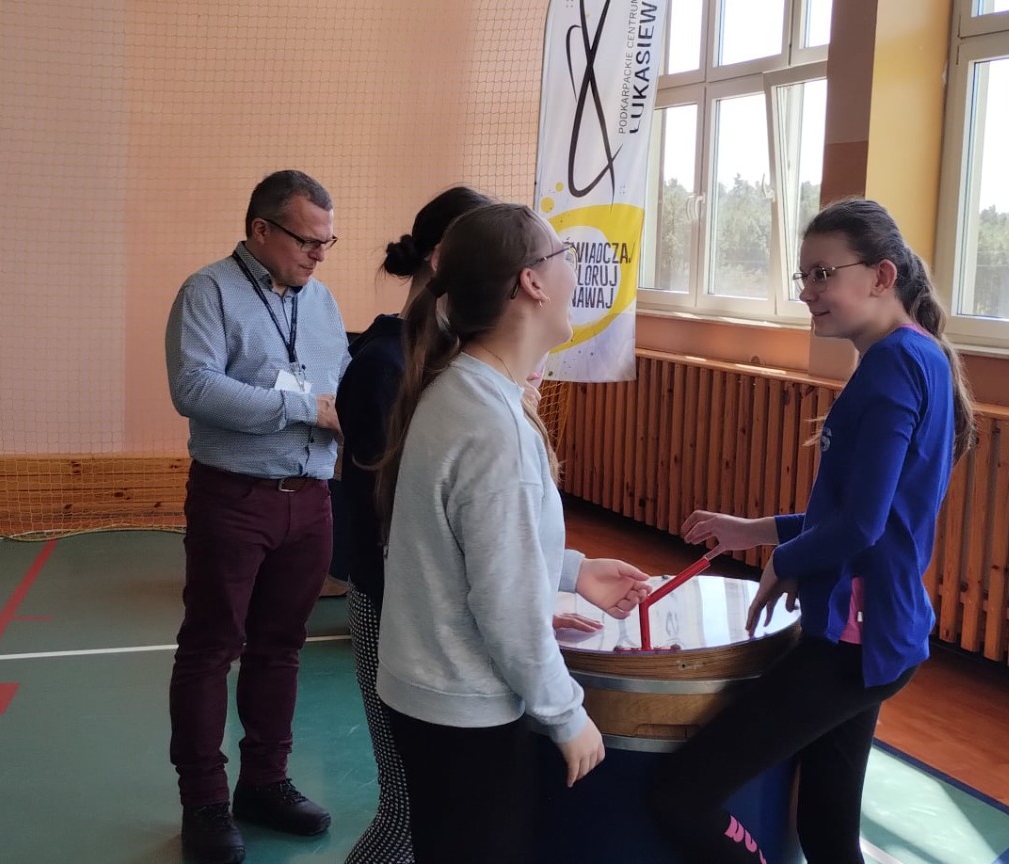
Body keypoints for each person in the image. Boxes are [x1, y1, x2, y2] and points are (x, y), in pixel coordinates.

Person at [648, 197, 977, 864]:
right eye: (804, 276)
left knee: (681, 797)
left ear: (881, 276)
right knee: (826, 831)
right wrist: (757, 531)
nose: (807, 292)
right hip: (878, 634)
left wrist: (787, 558)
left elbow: (862, 524)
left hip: (854, 642)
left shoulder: (895, 364)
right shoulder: (916, 356)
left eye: (824, 274)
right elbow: (870, 516)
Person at [372, 202, 653, 863]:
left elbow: (466, 546)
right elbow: (506, 607)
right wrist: (566, 713)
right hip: (464, 713)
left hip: (429, 698)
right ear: (531, 282)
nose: (573, 270)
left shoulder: (459, 389)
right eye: (564, 256)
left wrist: (572, 569)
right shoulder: (493, 425)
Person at [163, 169, 351, 864]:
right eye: (307, 240)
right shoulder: (207, 292)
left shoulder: (323, 302)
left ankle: (265, 783)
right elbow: (194, 387)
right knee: (211, 649)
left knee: (282, 648)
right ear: (261, 230)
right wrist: (306, 408)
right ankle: (204, 800)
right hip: (234, 499)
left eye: (328, 242)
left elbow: (341, 387)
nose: (319, 255)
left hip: (311, 500)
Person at [332, 185, 494, 864]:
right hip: (394, 612)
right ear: (441, 259)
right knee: (405, 814)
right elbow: (398, 521)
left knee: (440, 812)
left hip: (431, 615)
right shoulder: (385, 366)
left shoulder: (447, 363)